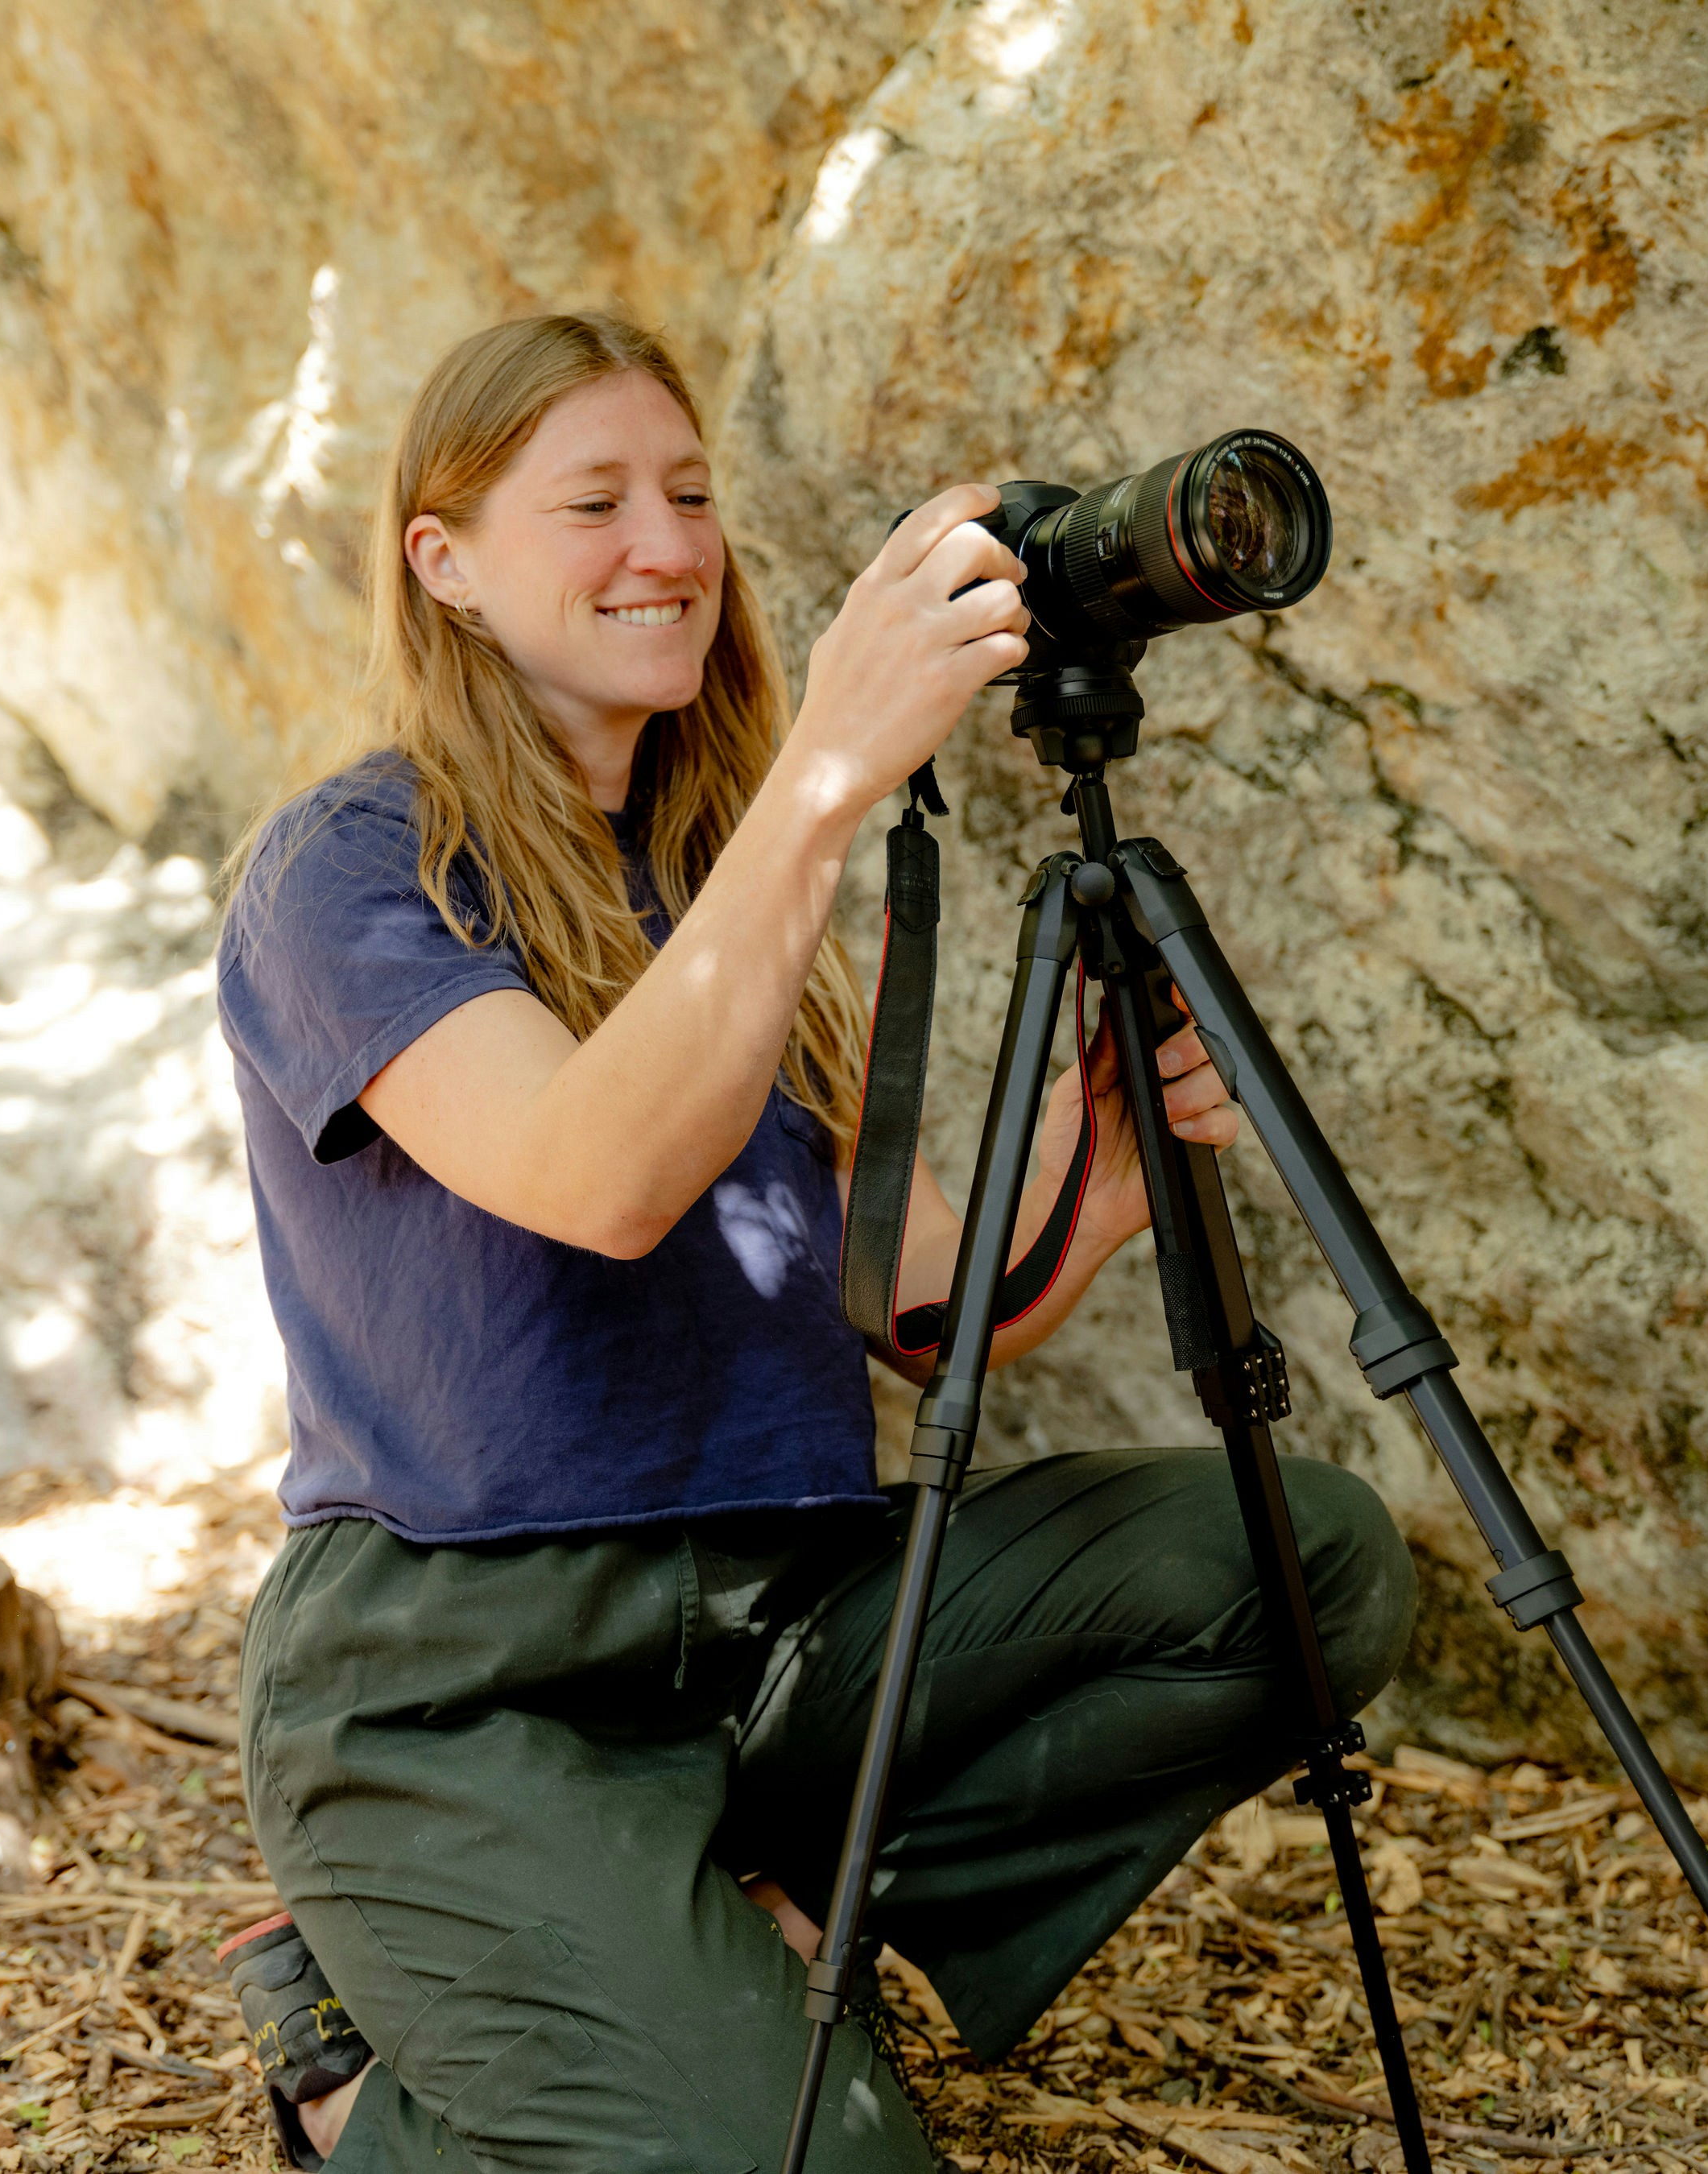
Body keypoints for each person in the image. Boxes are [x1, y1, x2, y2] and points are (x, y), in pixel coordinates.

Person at [213, 312, 1416, 2172]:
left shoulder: (718, 877)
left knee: (1307, 1560)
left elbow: (922, 1304)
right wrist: (828, 783)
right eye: (595, 500)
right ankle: (358, 2079)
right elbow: (594, 1175)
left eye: (689, 495)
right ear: (441, 564)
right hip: (468, 1693)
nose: (670, 546)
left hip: (773, 1655)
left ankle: (715, 1927)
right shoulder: (355, 871)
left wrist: (1089, 1192)